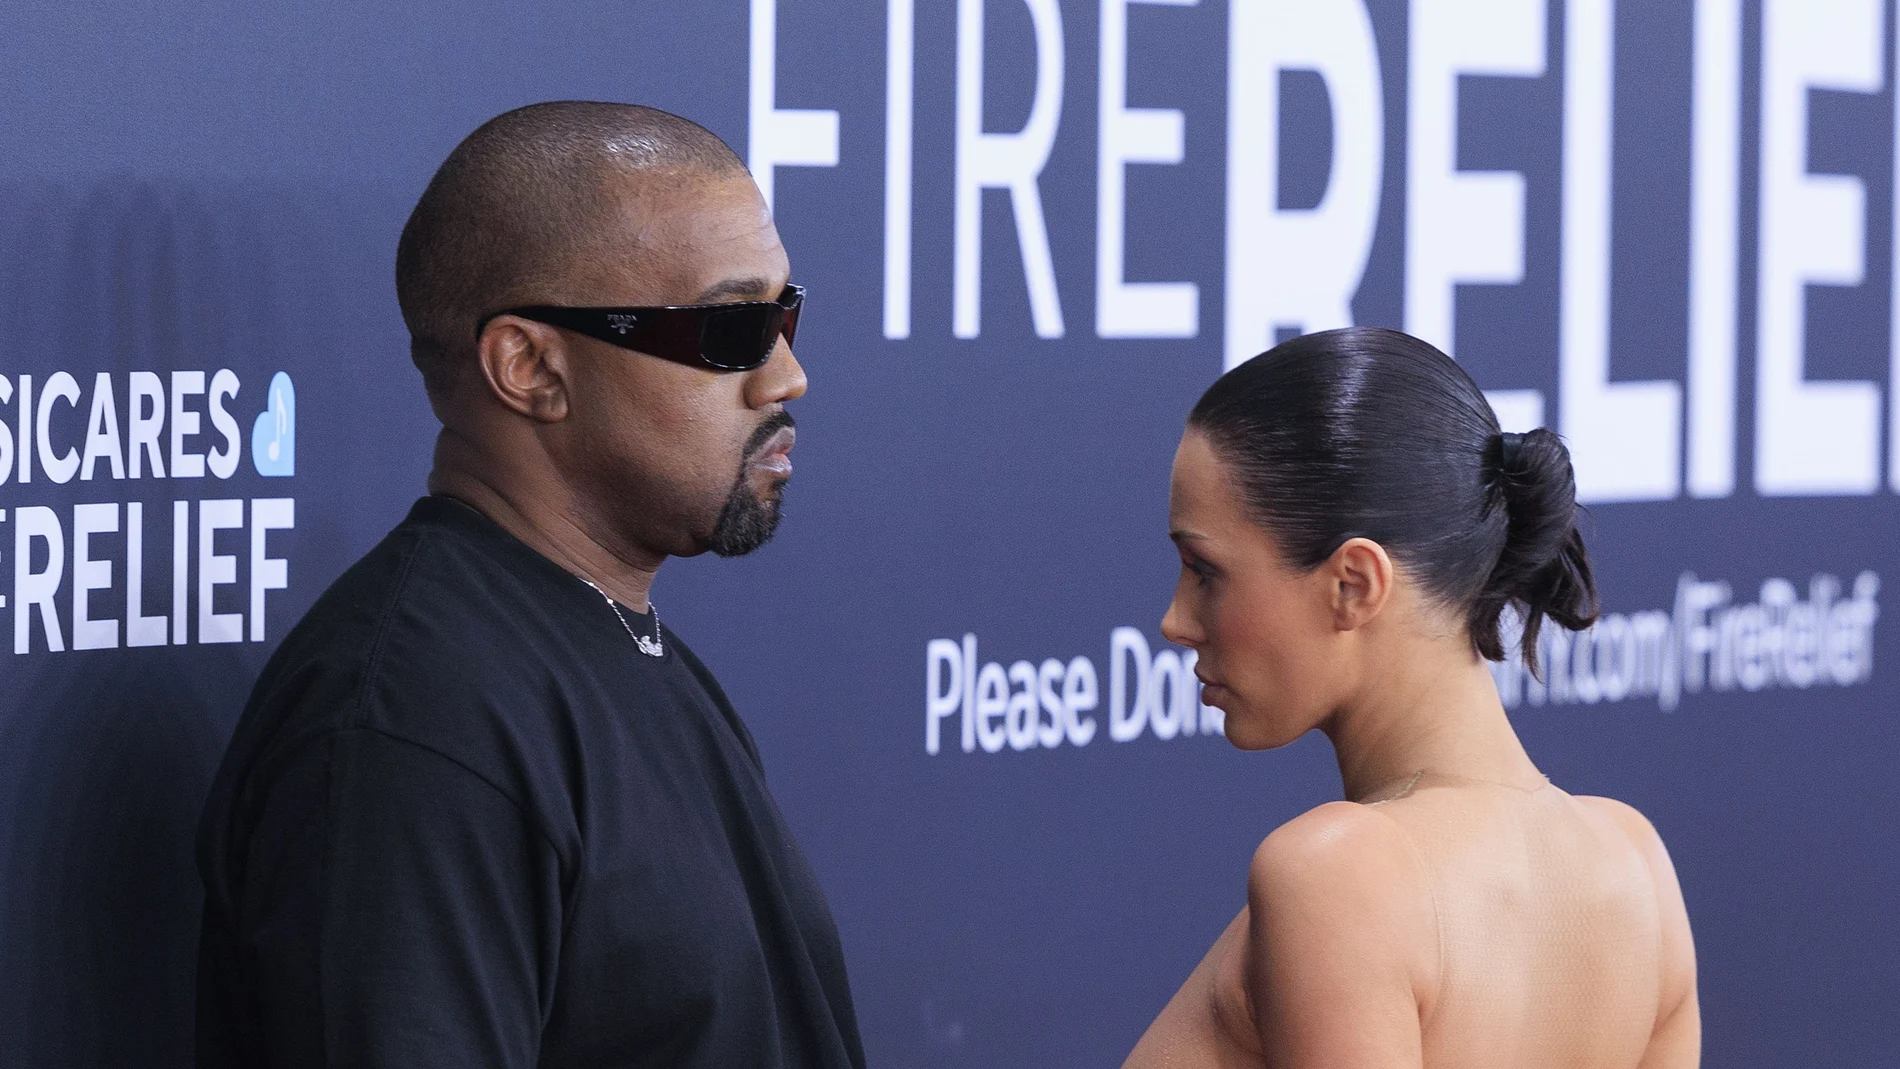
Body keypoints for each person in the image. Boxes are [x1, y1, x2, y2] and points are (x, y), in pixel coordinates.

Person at [194, 102, 865, 1069]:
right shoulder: (419, 722)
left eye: (784, 315)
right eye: (732, 328)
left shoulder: (628, 653)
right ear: (529, 367)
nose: (786, 377)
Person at [1124, 327, 1698, 1068]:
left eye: (1204, 570)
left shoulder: (1337, 876)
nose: (1175, 621)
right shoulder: (1636, 863)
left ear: (1353, 584)